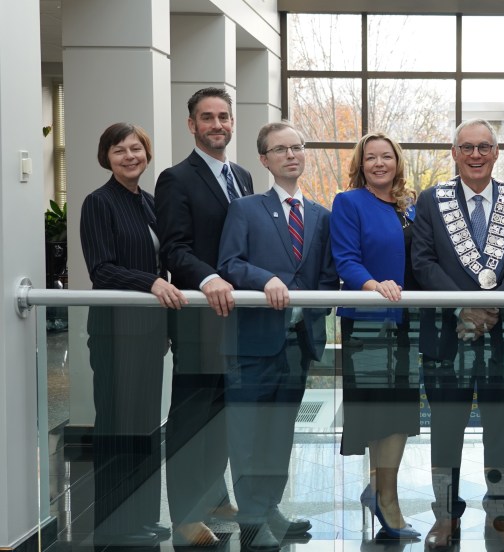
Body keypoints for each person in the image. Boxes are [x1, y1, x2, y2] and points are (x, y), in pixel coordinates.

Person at [412, 119, 504, 550]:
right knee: (445, 426)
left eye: (484, 147)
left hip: (503, 333)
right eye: (466, 147)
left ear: (497, 152)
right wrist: (464, 304)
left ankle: (502, 516)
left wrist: (494, 306)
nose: (475, 155)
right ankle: (445, 516)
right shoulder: (432, 201)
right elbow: (423, 260)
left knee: (502, 427)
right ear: (454, 153)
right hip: (447, 333)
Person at [218, 121, 338, 551]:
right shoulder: (246, 209)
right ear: (264, 160)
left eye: (297, 147)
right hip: (253, 342)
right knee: (248, 434)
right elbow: (229, 263)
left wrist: (317, 306)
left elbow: (326, 278)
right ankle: (251, 519)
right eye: (280, 149)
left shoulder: (322, 216)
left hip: (297, 345)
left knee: (280, 434)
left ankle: (269, 506)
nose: (291, 155)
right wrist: (265, 278)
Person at [80, 123, 188, 546]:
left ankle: (142, 516)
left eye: (137, 148)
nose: (130, 156)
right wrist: (151, 283)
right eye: (120, 150)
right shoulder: (97, 203)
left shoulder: (149, 202)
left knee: (145, 425)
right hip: (114, 329)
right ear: (106, 156)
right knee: (117, 425)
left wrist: (160, 314)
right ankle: (114, 522)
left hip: (147, 330)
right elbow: (101, 269)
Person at [156, 87, 251, 546]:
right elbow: (175, 247)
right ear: (191, 125)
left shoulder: (245, 176)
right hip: (200, 314)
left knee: (224, 412)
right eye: (207, 118)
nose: (218, 125)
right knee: (192, 417)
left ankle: (215, 495)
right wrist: (208, 277)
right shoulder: (176, 178)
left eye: (224, 117)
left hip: (239, 318)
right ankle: (185, 517)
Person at [331, 132, 420, 539]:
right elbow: (345, 260)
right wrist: (373, 286)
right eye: (371, 158)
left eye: (387, 157)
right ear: (361, 164)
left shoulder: (409, 207)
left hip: (405, 322)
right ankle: (387, 498)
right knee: (377, 411)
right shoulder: (349, 203)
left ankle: (381, 489)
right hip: (368, 319)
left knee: (400, 412)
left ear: (397, 162)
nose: (379, 163)